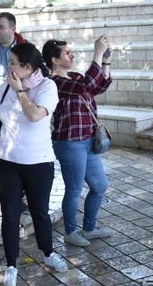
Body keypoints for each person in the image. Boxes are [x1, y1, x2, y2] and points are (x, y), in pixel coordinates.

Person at [0, 42, 67, 286]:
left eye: (13, 62)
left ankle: (48, 253)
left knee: (40, 212)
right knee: (10, 215)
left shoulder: (48, 87)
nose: (9, 65)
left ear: (27, 67)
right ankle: (11, 265)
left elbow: (35, 115)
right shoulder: (6, 86)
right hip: (7, 162)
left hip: (39, 163)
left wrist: (20, 92)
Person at [43, 36, 114, 247]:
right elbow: (85, 86)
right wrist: (97, 53)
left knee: (100, 186)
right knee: (74, 189)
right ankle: (70, 232)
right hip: (69, 142)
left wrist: (106, 62)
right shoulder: (54, 82)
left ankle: (89, 228)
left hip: (88, 139)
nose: (71, 54)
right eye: (66, 52)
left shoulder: (73, 76)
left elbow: (98, 87)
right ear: (55, 60)